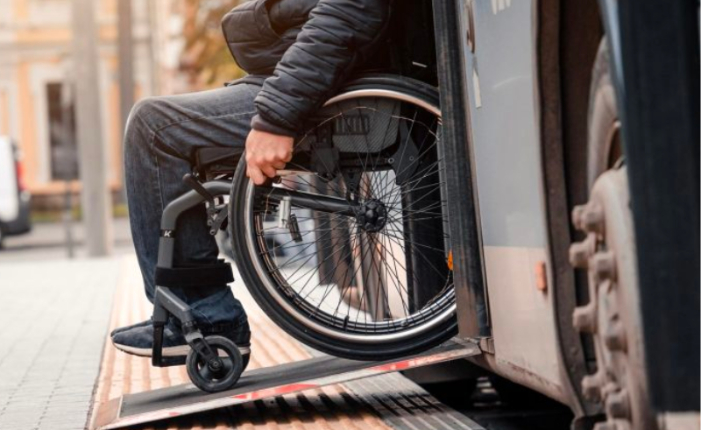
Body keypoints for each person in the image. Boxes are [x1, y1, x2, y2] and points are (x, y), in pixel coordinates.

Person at [111, 0, 391, 365]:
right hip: (324, 78)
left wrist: (275, 118)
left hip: (339, 89)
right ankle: (203, 311)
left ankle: (203, 315)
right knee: (155, 122)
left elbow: (349, 11)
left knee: (154, 127)